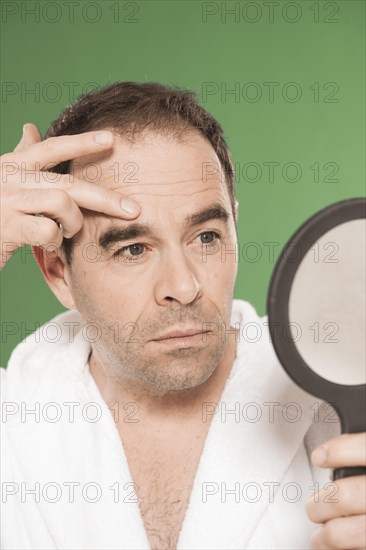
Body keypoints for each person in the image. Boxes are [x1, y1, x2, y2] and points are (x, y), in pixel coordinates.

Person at [0, 82, 365, 550]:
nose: (183, 286)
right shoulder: (13, 428)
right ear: (58, 272)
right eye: (134, 248)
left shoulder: (337, 412)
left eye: (206, 237)